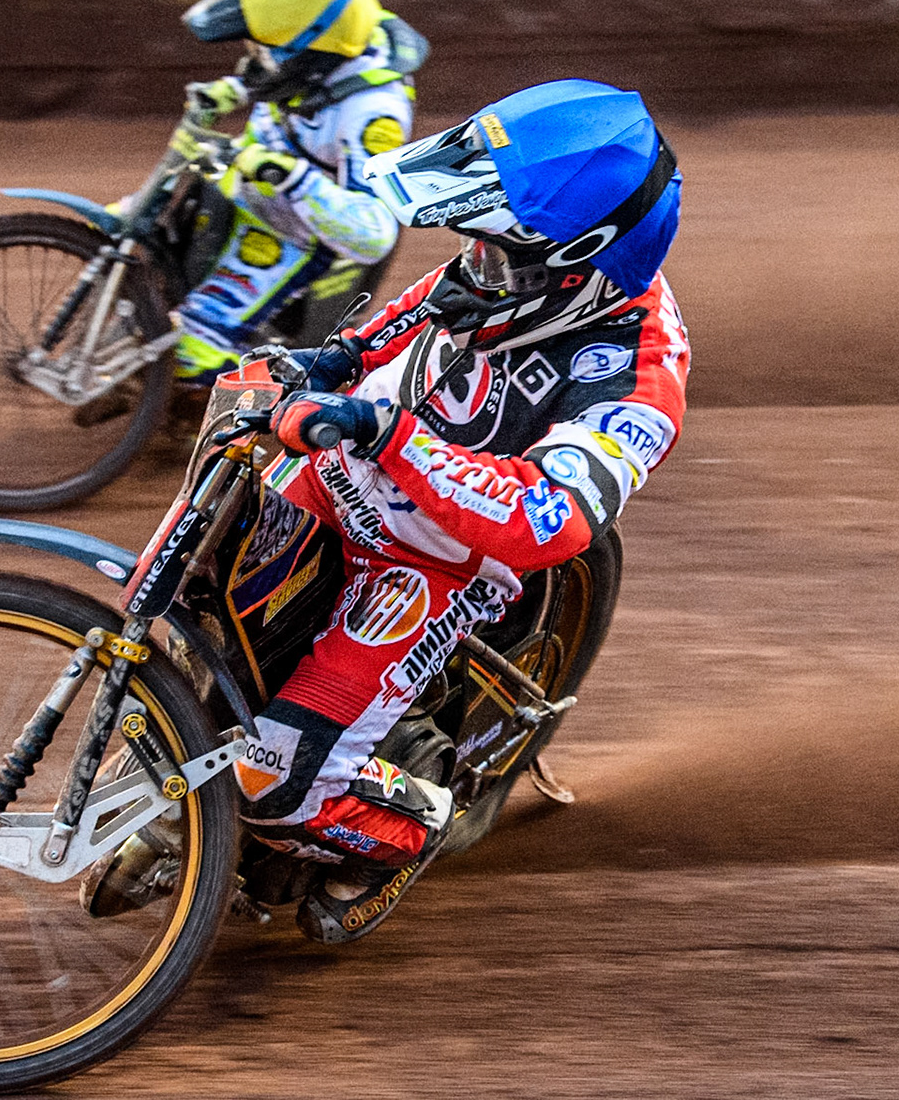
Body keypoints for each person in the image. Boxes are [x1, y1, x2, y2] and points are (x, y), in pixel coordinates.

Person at [234, 78, 690, 942]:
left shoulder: (636, 379)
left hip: (442, 558)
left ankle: (409, 830)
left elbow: (549, 520)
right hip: (351, 467)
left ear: (577, 264)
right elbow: (427, 301)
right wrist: (338, 360)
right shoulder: (521, 261)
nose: (469, 265)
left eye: (492, 255)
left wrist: (387, 433)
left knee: (274, 787)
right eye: (473, 245)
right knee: (203, 612)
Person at [153, 0, 428, 384]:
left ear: (313, 46)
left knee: (192, 352)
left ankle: (218, 426)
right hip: (241, 188)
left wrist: (289, 175)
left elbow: (376, 231)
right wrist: (234, 89)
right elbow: (280, 80)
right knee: (143, 231)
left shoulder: (373, 112)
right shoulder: (328, 51)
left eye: (266, 51)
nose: (256, 58)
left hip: (293, 232)